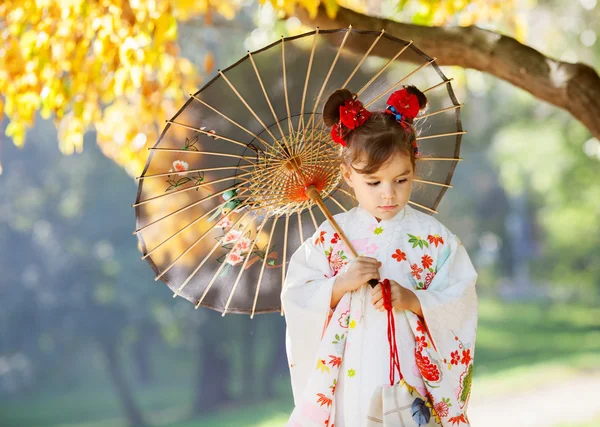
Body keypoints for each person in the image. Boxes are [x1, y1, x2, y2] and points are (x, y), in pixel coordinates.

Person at [281, 86, 478, 427]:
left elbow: (460, 298)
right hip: (348, 371)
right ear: (348, 176)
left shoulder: (434, 239)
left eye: (401, 180)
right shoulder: (329, 236)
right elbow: (297, 295)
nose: (389, 194)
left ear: (414, 168)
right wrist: (342, 284)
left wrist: (415, 300)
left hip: (408, 366)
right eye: (373, 183)